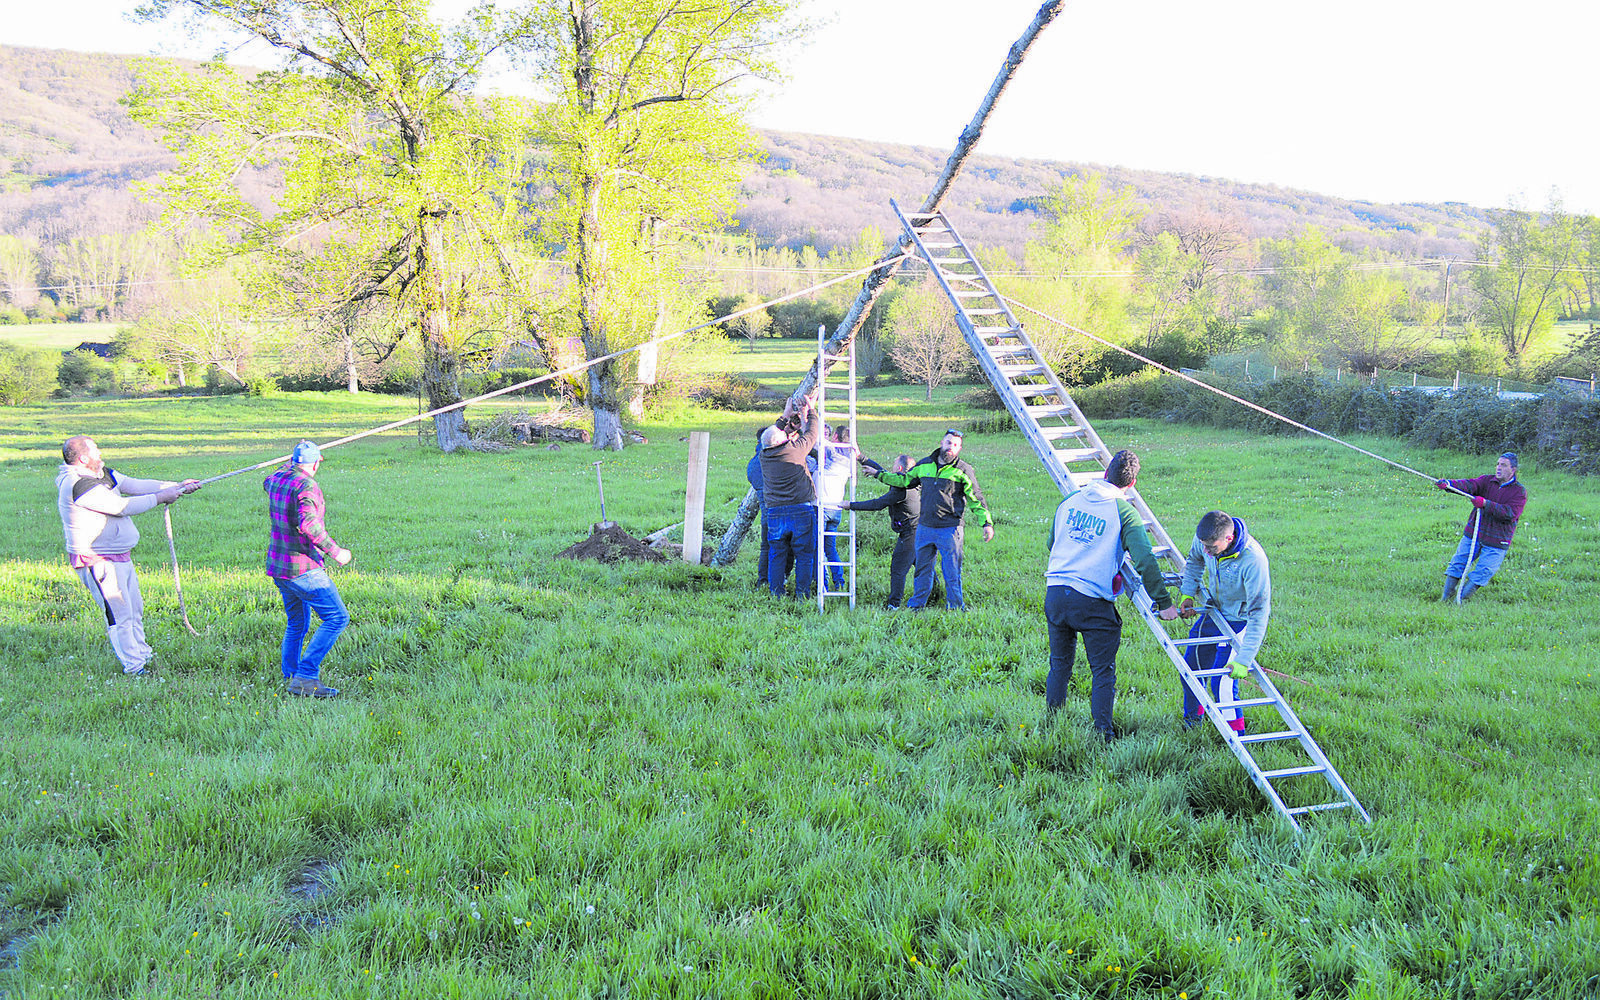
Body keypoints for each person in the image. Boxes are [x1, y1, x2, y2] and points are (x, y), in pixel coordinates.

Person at [1043, 449, 1178, 741]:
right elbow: (1144, 559)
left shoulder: (1070, 501)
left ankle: (1051, 723)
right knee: (1103, 671)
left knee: (1059, 663)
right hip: (1091, 600)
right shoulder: (1125, 512)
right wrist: (1164, 602)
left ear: (1105, 473)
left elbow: (1052, 543)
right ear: (1132, 483)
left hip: (1055, 592)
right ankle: (1103, 733)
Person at [56, 435, 199, 676]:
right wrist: (161, 498)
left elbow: (134, 484)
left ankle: (142, 653)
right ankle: (135, 667)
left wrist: (175, 485)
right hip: (97, 559)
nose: (100, 453)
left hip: (118, 555)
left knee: (134, 609)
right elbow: (122, 507)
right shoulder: (78, 484)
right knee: (120, 613)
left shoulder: (101, 473)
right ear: (83, 458)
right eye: (95, 450)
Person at [265, 440, 353, 698]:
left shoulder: (277, 480)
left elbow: (268, 478)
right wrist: (337, 552)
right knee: (337, 618)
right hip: (302, 568)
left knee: (297, 622)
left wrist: (292, 459)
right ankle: (305, 677)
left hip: (279, 568)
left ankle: (290, 675)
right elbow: (309, 525)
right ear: (315, 464)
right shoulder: (307, 485)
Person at [873, 428, 993, 610]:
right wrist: (878, 474)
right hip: (925, 528)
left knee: (952, 571)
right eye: (948, 443)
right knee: (922, 570)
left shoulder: (963, 470)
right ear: (941, 443)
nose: (950, 447)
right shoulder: (924, 465)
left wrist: (986, 523)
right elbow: (903, 481)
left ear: (959, 448)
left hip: (950, 529)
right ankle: (916, 607)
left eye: (955, 445)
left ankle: (955, 608)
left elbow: (976, 497)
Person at [1176, 510, 1271, 733]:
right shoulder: (1206, 540)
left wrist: (1244, 660)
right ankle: (1192, 725)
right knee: (1191, 670)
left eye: (1212, 548)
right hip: (1214, 613)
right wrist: (1187, 594)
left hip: (1241, 620)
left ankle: (1236, 737)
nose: (1207, 551)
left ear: (1228, 539)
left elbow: (1259, 613)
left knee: (1223, 683)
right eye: (1204, 545)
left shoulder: (1253, 561)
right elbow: (1194, 561)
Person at [1435, 452, 1528, 602]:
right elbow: (1468, 485)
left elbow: (1510, 513)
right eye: (1498, 464)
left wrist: (1486, 504)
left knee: (1484, 571)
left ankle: (1461, 600)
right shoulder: (1486, 481)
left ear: (1513, 469)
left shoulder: (1519, 491)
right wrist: (1449, 484)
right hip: (1474, 534)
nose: (1498, 468)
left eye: (1503, 465)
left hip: (1498, 541)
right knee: (1458, 563)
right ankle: (1445, 598)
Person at [758, 395, 821, 599]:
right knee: (804, 556)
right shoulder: (794, 451)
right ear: (783, 441)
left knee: (777, 555)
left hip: (775, 512)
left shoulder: (764, 455)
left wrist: (786, 415)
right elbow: (812, 434)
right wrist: (810, 412)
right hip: (800, 510)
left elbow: (773, 436)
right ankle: (802, 595)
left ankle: (776, 594)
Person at [844, 454, 920, 609]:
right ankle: (937, 594)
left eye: (894, 464)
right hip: (919, 530)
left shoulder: (901, 489)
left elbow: (878, 504)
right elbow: (883, 472)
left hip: (911, 533)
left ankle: (894, 605)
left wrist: (850, 505)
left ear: (899, 468)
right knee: (922, 566)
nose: (891, 468)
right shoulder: (909, 482)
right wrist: (862, 458)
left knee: (898, 569)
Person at [809, 424, 860, 593]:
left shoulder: (833, 454)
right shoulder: (848, 460)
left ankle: (822, 584)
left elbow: (819, 442)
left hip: (822, 507)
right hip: (836, 509)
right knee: (830, 548)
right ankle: (839, 581)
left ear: (836, 437)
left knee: (818, 547)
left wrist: (807, 415)